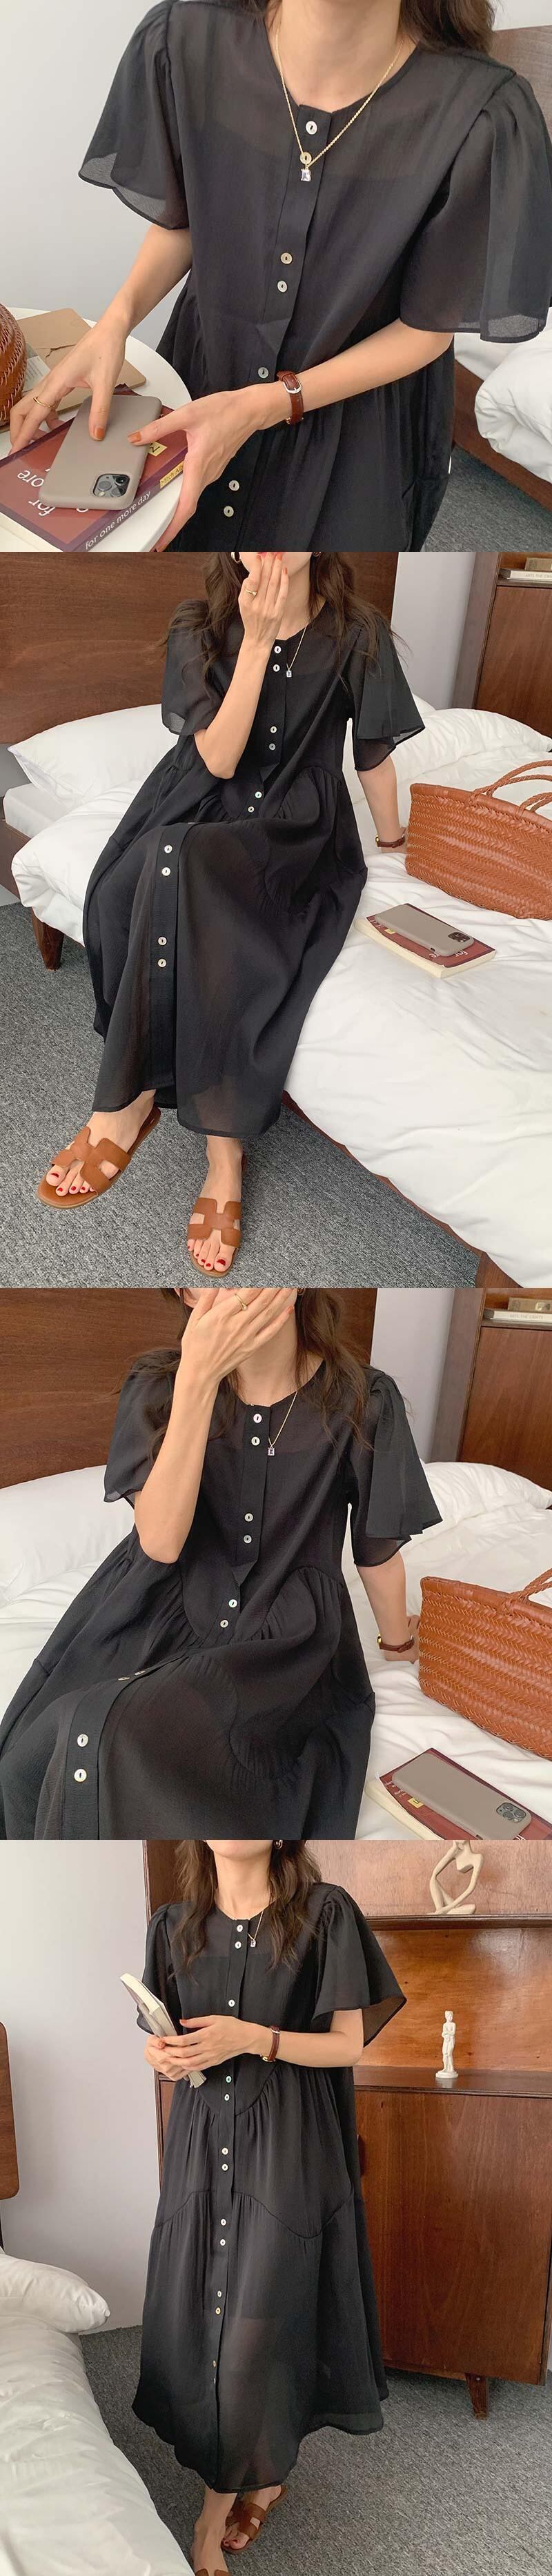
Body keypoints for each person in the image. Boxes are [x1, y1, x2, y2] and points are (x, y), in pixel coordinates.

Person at [10, 1, 552, 548]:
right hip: (202, 377)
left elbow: (428, 327)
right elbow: (188, 219)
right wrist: (115, 322)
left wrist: (268, 404)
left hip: (355, 433)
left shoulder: (481, 114)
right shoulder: (186, 40)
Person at [37, 548, 422, 1271]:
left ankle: (208, 1146)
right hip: (199, 797)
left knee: (178, 865)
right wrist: (256, 640)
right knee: (123, 886)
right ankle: (139, 1098)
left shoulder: (357, 631)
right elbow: (216, 760)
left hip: (292, 826)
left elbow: (371, 753)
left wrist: (393, 841)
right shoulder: (199, 625)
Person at [0, 1286, 440, 1839]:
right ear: (187, 1291)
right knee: (25, 1765)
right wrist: (199, 1377)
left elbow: (376, 1552)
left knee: (115, 1734)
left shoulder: (363, 1398)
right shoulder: (157, 1385)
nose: (236, 1288)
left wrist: (398, 1645)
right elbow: (161, 1542)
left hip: (284, 1636)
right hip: (151, 1607)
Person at [135, 1836, 405, 2576]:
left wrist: (255, 2037)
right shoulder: (171, 1925)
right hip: (201, 2142)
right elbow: (168, 2042)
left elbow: (347, 2045)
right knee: (207, 2318)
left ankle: (209, 2517)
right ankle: (262, 2477)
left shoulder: (325, 1912)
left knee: (257, 2319)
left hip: (287, 2144)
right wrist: (162, 2055)